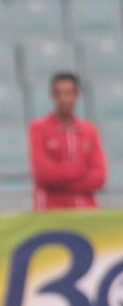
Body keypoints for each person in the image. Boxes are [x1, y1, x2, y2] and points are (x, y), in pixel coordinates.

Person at [29, 72, 107, 211]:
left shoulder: (89, 130)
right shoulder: (39, 128)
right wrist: (80, 170)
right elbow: (43, 174)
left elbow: (99, 177)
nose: (64, 99)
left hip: (86, 210)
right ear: (52, 96)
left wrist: (60, 180)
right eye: (59, 94)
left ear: (77, 95)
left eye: (69, 93)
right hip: (52, 210)